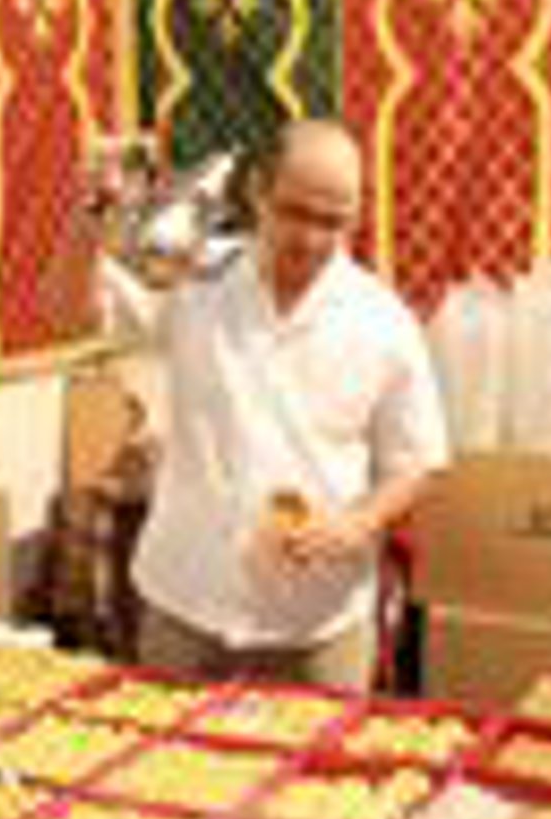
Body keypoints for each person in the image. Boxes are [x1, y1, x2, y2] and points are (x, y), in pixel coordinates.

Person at [95, 118, 450, 690]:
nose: (310, 239)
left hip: (316, 625)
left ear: (357, 217)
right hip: (187, 603)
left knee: (322, 752)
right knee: (166, 750)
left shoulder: (381, 320)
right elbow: (63, 314)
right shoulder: (196, 274)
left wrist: (357, 524)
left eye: (333, 222)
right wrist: (87, 214)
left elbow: (419, 460)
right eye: (295, 212)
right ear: (258, 192)